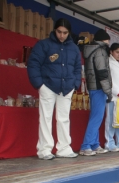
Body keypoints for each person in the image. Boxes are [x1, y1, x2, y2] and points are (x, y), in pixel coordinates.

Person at [27, 18, 81, 160]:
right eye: (59, 32)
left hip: (67, 87)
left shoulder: (74, 48)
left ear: (69, 33)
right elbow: (33, 64)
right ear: (54, 30)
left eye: (65, 32)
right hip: (48, 86)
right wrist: (40, 85)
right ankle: (44, 150)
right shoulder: (43, 45)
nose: (62, 35)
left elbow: (77, 68)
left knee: (64, 119)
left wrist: (75, 84)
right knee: (46, 118)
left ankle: (64, 148)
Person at [79, 29, 112, 156]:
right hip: (99, 87)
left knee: (95, 117)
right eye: (107, 40)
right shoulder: (101, 51)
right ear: (104, 40)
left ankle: (94, 144)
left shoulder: (91, 50)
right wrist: (108, 91)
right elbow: (103, 72)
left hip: (93, 86)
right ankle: (86, 145)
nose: (109, 43)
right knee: (96, 118)